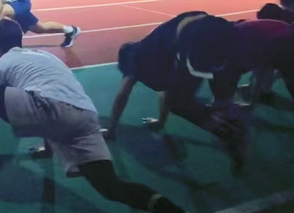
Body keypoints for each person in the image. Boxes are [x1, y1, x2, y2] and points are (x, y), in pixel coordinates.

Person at [0, 19, 204, 213]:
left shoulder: (2, 65)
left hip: (52, 109)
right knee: (111, 186)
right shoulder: (44, 57)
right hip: (85, 116)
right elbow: (54, 94)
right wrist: (48, 147)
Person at [107, 12, 249, 173]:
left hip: (196, 36)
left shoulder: (132, 57)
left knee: (179, 103)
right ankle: (228, 121)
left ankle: (227, 130)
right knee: (215, 88)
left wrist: (111, 129)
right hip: (212, 29)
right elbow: (164, 91)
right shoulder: (154, 52)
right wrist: (160, 122)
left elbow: (123, 93)